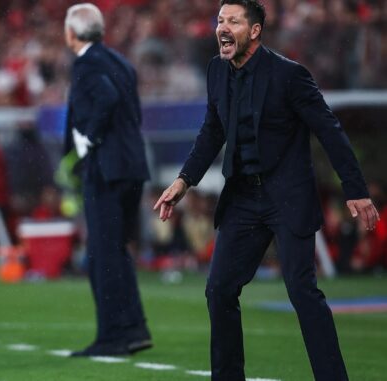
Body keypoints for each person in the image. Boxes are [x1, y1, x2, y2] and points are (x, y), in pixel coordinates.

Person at [153, 1, 379, 380]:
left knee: (301, 291)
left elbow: (329, 131)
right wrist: (184, 180)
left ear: (254, 31)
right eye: (220, 20)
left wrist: (355, 189)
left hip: (286, 196)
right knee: (219, 290)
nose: (222, 27)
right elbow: (213, 131)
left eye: (233, 21)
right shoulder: (216, 71)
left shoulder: (289, 75)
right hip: (242, 198)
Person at [63, 3, 152, 357]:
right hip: (131, 166)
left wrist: (89, 137)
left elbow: (106, 98)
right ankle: (134, 329)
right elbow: (132, 108)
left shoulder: (86, 63)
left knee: (103, 254)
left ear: (72, 33)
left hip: (106, 168)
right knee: (116, 251)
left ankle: (113, 336)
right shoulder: (121, 62)